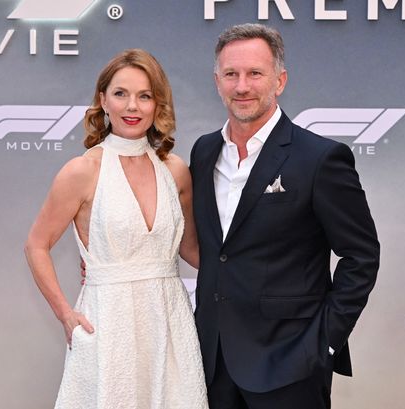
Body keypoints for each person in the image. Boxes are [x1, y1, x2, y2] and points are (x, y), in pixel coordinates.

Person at [189, 24, 380, 408]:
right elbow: (212, 247)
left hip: (290, 365)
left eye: (255, 73)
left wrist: (324, 342)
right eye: (231, 74)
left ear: (280, 81)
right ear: (217, 81)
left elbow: (361, 256)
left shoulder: (320, 158)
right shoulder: (204, 152)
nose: (242, 86)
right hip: (212, 361)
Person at [25, 49, 208, 409]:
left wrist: (257, 264)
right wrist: (65, 315)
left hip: (169, 320)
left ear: (157, 104)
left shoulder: (175, 170)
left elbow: (191, 250)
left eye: (145, 95)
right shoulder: (82, 171)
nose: (132, 106)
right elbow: (36, 245)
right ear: (103, 101)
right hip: (108, 321)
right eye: (121, 94)